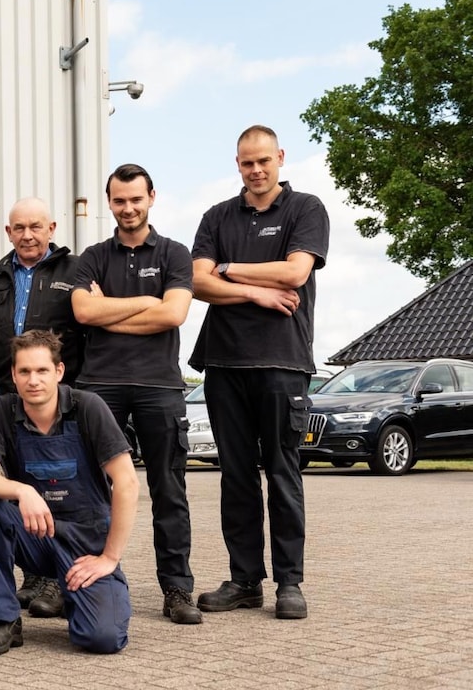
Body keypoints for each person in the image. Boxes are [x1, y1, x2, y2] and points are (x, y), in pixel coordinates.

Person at [190, 125, 329, 621]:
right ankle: (245, 580)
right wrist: (255, 291)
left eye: (264, 161)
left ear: (280, 158)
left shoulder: (305, 209)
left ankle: (290, 583)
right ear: (238, 164)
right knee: (236, 477)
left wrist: (228, 269)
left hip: (282, 362)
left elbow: (295, 272)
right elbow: (196, 282)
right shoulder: (217, 216)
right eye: (247, 162)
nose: (256, 170)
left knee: (283, 473)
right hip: (224, 363)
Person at [69, 164, 201, 625]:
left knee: (169, 490)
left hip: (159, 385)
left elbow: (173, 315)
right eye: (119, 200)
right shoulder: (92, 257)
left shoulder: (174, 254)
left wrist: (110, 311)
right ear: (109, 202)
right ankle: (86, 583)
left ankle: (177, 589)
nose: (128, 208)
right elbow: (83, 312)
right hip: (99, 386)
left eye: (136, 199)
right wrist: (147, 301)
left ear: (152, 198)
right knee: (89, 489)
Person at [0, 330, 135, 655]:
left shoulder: (88, 408)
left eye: (42, 370)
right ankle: (4, 619)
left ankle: (77, 597)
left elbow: (127, 482)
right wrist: (23, 491)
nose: (33, 380)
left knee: (102, 639)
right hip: (35, 536)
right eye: (25, 371)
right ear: (13, 375)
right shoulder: (2, 411)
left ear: (59, 371)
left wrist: (109, 558)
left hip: (84, 545)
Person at [0, 197, 85, 612]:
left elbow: (87, 336)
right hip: (2, 397)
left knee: (55, 485)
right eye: (19, 228)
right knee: (16, 482)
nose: (28, 235)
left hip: (54, 397)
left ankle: (55, 577)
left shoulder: (75, 271)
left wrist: (76, 392)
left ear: (52, 228)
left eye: (36, 226)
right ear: (8, 232)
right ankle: (34, 575)